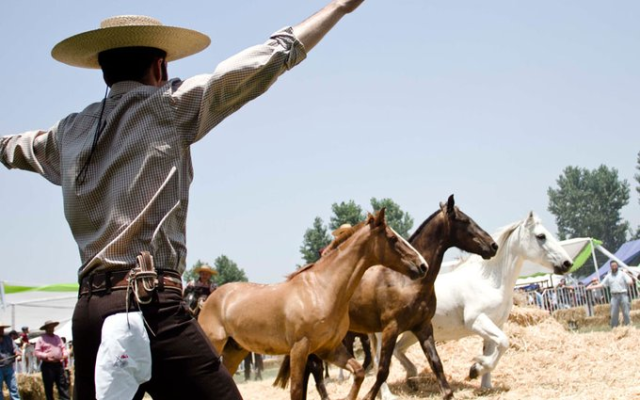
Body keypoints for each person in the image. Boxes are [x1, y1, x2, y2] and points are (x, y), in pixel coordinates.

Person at [0, 1, 366, 399]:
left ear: (103, 70)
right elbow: (271, 56)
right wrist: (340, 8)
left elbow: (11, 147)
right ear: (160, 66)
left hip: (89, 312)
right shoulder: (169, 107)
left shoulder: (66, 133)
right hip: (149, 305)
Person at [588, 261, 633, 327]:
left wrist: (630, 281)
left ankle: (628, 326)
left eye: (615, 265)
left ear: (617, 266)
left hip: (623, 295)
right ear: (610, 267)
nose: (614, 267)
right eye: (612, 266)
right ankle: (615, 327)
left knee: (626, 312)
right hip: (614, 296)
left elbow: (630, 281)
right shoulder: (608, 276)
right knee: (614, 313)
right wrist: (591, 287)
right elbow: (602, 285)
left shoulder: (623, 274)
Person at [34, 321, 70, 400]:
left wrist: (64, 354)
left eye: (52, 327)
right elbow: (36, 352)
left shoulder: (57, 337)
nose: (51, 329)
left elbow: (63, 348)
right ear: (46, 329)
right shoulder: (41, 339)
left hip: (58, 364)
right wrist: (46, 356)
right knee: (49, 386)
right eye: (49, 327)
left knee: (62, 384)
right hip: (48, 365)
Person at [0, 322, 21, 400]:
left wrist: (17, 351)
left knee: (13, 388)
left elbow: (15, 348)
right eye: (0, 329)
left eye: (2, 329)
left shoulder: (8, 339)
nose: (1, 331)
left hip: (9, 367)